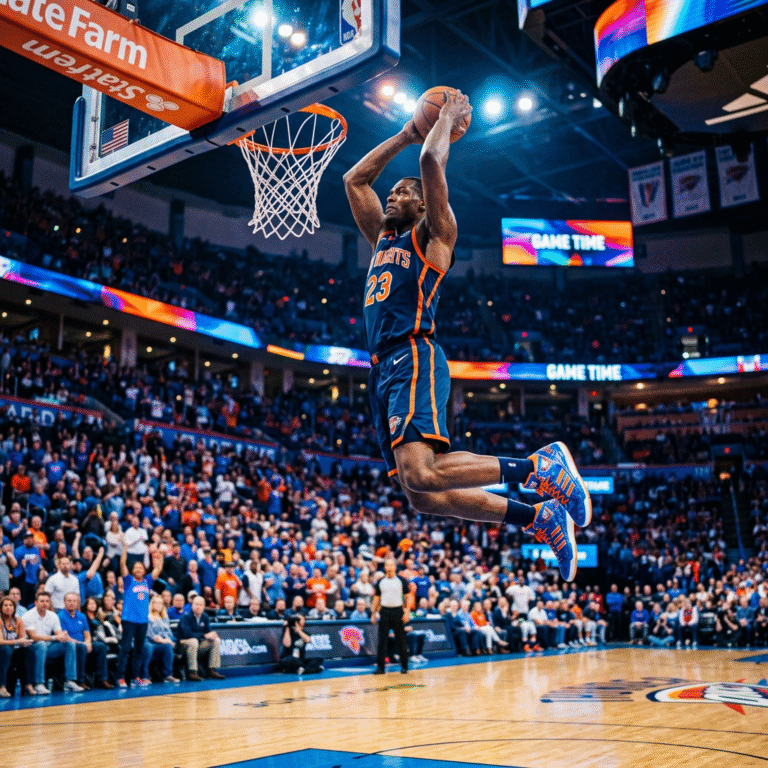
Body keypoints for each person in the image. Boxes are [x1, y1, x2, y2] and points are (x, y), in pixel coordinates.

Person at [343, 89, 590, 583]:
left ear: (421, 207)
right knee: (421, 495)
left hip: (412, 353)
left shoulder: (434, 238)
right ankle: (537, 516)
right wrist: (405, 132)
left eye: (402, 195)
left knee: (421, 473)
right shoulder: (382, 241)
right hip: (382, 369)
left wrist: (440, 123)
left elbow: (432, 161)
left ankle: (540, 468)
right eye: (390, 194)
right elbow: (355, 179)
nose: (391, 197)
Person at [115, 544, 163, 688]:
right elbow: (122, 563)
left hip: (142, 621)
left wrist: (160, 555)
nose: (138, 569)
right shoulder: (128, 580)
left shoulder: (147, 581)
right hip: (129, 620)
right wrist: (124, 548)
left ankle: (136, 677)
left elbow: (158, 569)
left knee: (139, 650)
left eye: (140, 568)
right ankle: (120, 678)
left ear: (144, 570)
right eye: (136, 567)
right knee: (125, 650)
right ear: (132, 570)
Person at [22, 591, 83, 693]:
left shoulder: (53, 615)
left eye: (47, 601)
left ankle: (70, 680)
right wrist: (55, 637)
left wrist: (65, 637)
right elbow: (34, 637)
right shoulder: (28, 615)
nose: (45, 603)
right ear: (35, 602)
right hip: (31, 647)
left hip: (49, 647)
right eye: (42, 601)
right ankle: (39, 683)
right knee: (41, 645)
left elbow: (59, 634)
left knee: (69, 644)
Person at [58, 592, 110, 690]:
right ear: (64, 602)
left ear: (78, 603)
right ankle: (80, 681)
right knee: (81, 647)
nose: (72, 603)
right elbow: (65, 636)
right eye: (69, 601)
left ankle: (103, 679)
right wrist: (82, 643)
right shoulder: (60, 616)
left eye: (74, 601)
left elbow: (87, 633)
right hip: (69, 644)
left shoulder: (82, 616)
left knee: (100, 646)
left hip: (83, 643)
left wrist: (88, 642)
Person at [371, 558, 409, 674]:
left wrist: (407, 611)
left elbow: (408, 597)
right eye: (387, 565)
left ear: (395, 567)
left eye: (391, 565)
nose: (389, 567)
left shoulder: (401, 580)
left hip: (398, 611)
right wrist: (373, 613)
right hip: (384, 611)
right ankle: (381, 668)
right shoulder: (381, 582)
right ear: (385, 567)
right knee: (382, 640)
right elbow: (376, 599)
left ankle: (404, 666)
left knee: (400, 639)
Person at [177, 595, 225, 681]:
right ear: (192, 605)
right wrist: (204, 635)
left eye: (200, 605)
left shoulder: (205, 617)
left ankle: (211, 670)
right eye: (196, 604)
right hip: (183, 645)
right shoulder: (186, 617)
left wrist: (212, 635)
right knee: (193, 641)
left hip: (197, 645)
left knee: (216, 641)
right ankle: (192, 672)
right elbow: (187, 634)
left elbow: (208, 631)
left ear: (204, 606)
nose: (198, 606)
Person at [0, 596, 32, 697]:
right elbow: (0, 641)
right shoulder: (0, 620)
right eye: (5, 605)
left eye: (10, 605)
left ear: (14, 608)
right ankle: (2, 686)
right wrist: (17, 641)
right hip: (2, 648)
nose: (8, 607)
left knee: (28, 651)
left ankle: (28, 684)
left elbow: (22, 638)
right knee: (6, 650)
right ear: (1, 608)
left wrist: (24, 642)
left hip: (14, 648)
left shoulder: (18, 620)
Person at [143, 595, 180, 683]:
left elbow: (169, 633)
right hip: (150, 642)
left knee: (167, 646)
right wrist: (164, 640)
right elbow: (150, 634)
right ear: (152, 604)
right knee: (148, 647)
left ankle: (167, 675)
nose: (159, 605)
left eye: (161, 603)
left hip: (161, 643)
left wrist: (169, 640)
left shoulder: (164, 618)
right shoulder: (147, 617)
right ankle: (144, 676)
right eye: (156, 602)